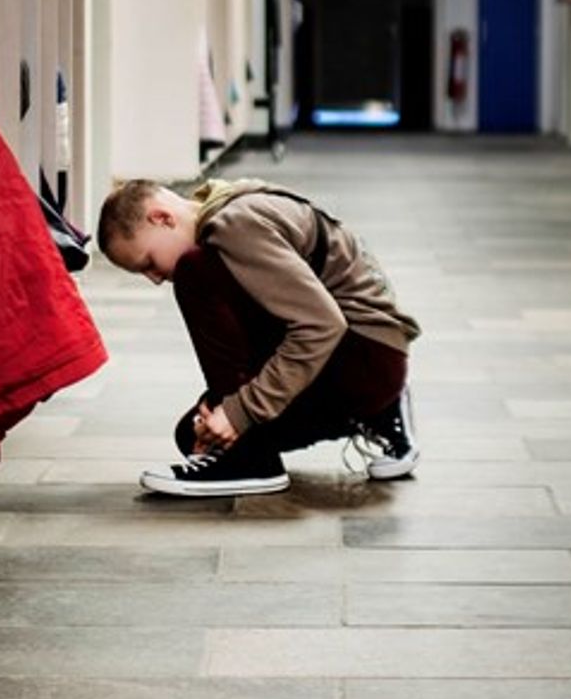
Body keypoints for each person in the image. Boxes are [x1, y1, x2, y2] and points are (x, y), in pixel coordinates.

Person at [97, 177, 420, 497]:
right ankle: (380, 411)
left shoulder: (235, 225)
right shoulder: (231, 209)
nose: (154, 279)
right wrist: (219, 410)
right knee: (194, 433)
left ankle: (250, 460)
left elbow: (321, 325)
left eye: (148, 263)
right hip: (369, 359)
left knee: (194, 272)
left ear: (162, 218)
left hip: (362, 361)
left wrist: (239, 413)